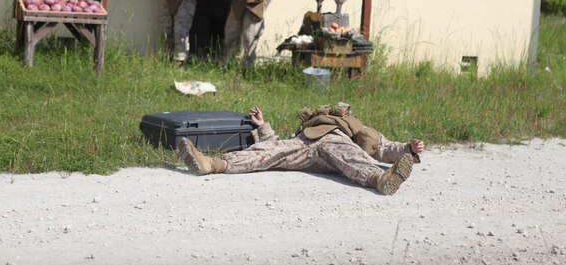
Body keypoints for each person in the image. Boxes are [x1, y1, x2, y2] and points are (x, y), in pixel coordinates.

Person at [178, 103, 425, 196]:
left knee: (351, 158)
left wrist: (408, 148)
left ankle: (382, 179)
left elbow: (382, 147)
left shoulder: (350, 127)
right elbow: (274, 144)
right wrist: (263, 125)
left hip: (333, 145)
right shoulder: (305, 129)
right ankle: (212, 164)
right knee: (272, 152)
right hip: (305, 147)